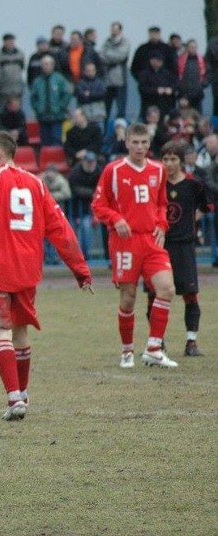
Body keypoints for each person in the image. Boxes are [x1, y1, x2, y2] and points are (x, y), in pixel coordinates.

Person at [0, 131, 92, 420]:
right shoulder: (36, 183)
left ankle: (14, 398)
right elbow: (60, 229)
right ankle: (23, 394)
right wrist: (80, 269)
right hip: (27, 269)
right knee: (21, 332)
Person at [92, 123, 178, 368]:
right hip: (125, 242)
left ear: (149, 144)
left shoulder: (159, 170)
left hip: (151, 240)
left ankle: (153, 348)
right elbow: (98, 205)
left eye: (144, 143)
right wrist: (116, 218)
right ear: (126, 142)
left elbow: (161, 204)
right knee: (128, 298)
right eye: (135, 142)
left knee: (167, 289)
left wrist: (162, 225)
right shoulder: (113, 170)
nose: (140, 147)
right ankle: (127, 351)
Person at [144, 140, 213, 356]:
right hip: (158, 245)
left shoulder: (194, 184)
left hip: (184, 245)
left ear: (181, 162)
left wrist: (193, 221)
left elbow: (206, 206)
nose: (169, 163)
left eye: (173, 159)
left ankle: (191, 342)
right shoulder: (155, 183)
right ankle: (158, 341)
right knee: (153, 295)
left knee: (190, 294)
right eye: (165, 159)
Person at [100, 21, 131, 120]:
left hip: (120, 81)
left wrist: (108, 56)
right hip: (107, 81)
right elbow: (101, 55)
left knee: (121, 110)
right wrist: (112, 56)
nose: (113, 31)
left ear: (120, 30)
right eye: (112, 29)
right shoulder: (107, 42)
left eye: (116, 29)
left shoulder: (125, 42)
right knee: (105, 110)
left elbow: (121, 56)